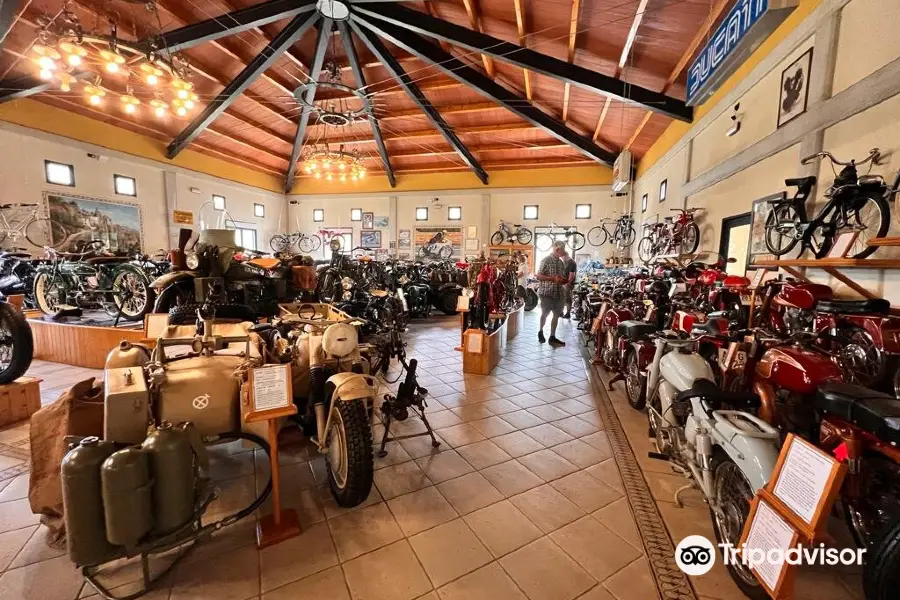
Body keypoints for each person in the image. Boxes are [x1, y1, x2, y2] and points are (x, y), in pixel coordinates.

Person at [536, 241, 568, 347]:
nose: (564, 252)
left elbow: (562, 277)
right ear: (558, 249)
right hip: (546, 293)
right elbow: (538, 276)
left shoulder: (561, 262)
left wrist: (564, 280)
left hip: (559, 293)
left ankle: (552, 337)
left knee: (556, 315)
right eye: (563, 250)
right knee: (545, 313)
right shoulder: (545, 260)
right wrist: (552, 279)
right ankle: (540, 331)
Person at [562, 250, 577, 319]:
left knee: (568, 298)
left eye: (562, 256)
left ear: (566, 255)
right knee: (562, 298)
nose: (562, 258)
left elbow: (572, 275)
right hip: (563, 282)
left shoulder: (571, 262)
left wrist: (568, 283)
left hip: (568, 283)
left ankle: (568, 313)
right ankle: (561, 312)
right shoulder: (565, 262)